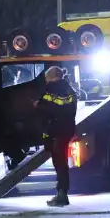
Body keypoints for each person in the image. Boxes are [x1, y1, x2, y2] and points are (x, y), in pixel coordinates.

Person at [36, 66, 77, 207]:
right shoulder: (70, 90)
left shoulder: (49, 90)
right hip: (67, 130)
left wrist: (37, 105)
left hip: (55, 132)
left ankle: (61, 194)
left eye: (47, 78)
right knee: (62, 162)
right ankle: (62, 192)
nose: (46, 81)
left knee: (59, 163)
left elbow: (44, 109)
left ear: (52, 77)